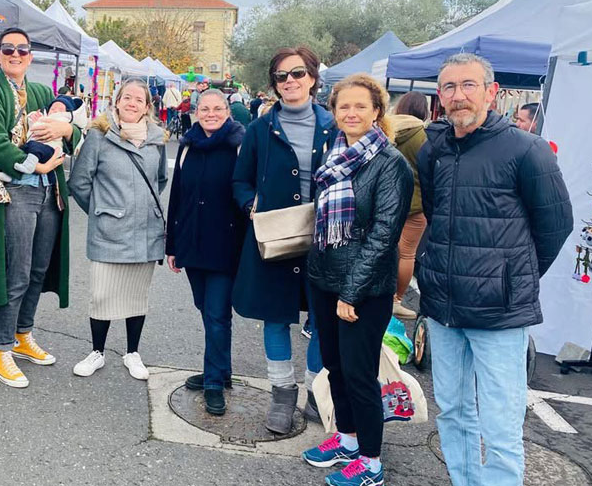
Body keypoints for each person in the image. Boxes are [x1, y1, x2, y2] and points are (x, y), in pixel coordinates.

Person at [418, 53, 572, 486]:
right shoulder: (434, 150)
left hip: (500, 312)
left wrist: (511, 278)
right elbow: (435, 214)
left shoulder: (527, 149)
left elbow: (556, 226)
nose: (458, 95)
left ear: (492, 92)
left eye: (468, 85)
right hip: (445, 307)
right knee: (454, 411)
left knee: (501, 424)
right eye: (449, 87)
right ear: (440, 96)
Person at [301, 74, 413, 486]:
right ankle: (346, 440)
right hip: (324, 279)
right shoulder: (335, 155)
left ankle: (371, 463)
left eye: (360, 106)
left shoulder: (391, 164)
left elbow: (384, 235)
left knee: (360, 375)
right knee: (334, 367)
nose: (351, 113)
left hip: (363, 290)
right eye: (343, 106)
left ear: (377, 112)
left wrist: (351, 292)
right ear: (333, 112)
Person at [233, 46, 335, 435]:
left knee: (323, 318)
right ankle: (281, 393)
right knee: (275, 316)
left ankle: (316, 392)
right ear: (274, 83)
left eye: (297, 73)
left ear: (312, 78)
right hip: (275, 237)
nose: (289, 81)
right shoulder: (260, 129)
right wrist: (251, 205)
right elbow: (240, 180)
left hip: (325, 239)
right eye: (281, 76)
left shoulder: (334, 126)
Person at [0, 27, 81, 388]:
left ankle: (22, 334)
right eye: (8, 49)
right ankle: (1, 350)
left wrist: (66, 131)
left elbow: (74, 131)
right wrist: (37, 166)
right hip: (13, 191)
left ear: (30, 57)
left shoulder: (42, 92)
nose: (15, 55)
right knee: (15, 272)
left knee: (38, 269)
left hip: (50, 192)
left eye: (22, 50)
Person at [67, 78, 167, 382]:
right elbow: (79, 182)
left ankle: (132, 352)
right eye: (127, 97)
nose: (132, 103)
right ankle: (97, 352)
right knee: (102, 295)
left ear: (147, 107)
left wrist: (141, 208)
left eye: (139, 99)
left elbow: (160, 180)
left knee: (137, 296)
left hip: (146, 231)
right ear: (117, 101)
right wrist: (103, 212)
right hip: (109, 232)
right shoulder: (99, 135)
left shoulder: (157, 139)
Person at [165, 88, 246, 415]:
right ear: (196, 112)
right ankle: (221, 369)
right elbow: (177, 196)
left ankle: (214, 382)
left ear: (228, 112)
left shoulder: (239, 145)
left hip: (225, 245)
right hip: (192, 242)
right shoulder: (188, 146)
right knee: (207, 310)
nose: (211, 114)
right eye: (205, 109)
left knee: (216, 314)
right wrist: (172, 245)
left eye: (217, 109)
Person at [388, 91, 429, 320]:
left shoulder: (385, 129)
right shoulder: (423, 136)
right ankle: (396, 300)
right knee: (406, 255)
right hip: (415, 204)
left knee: (380, 249)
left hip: (386, 201)